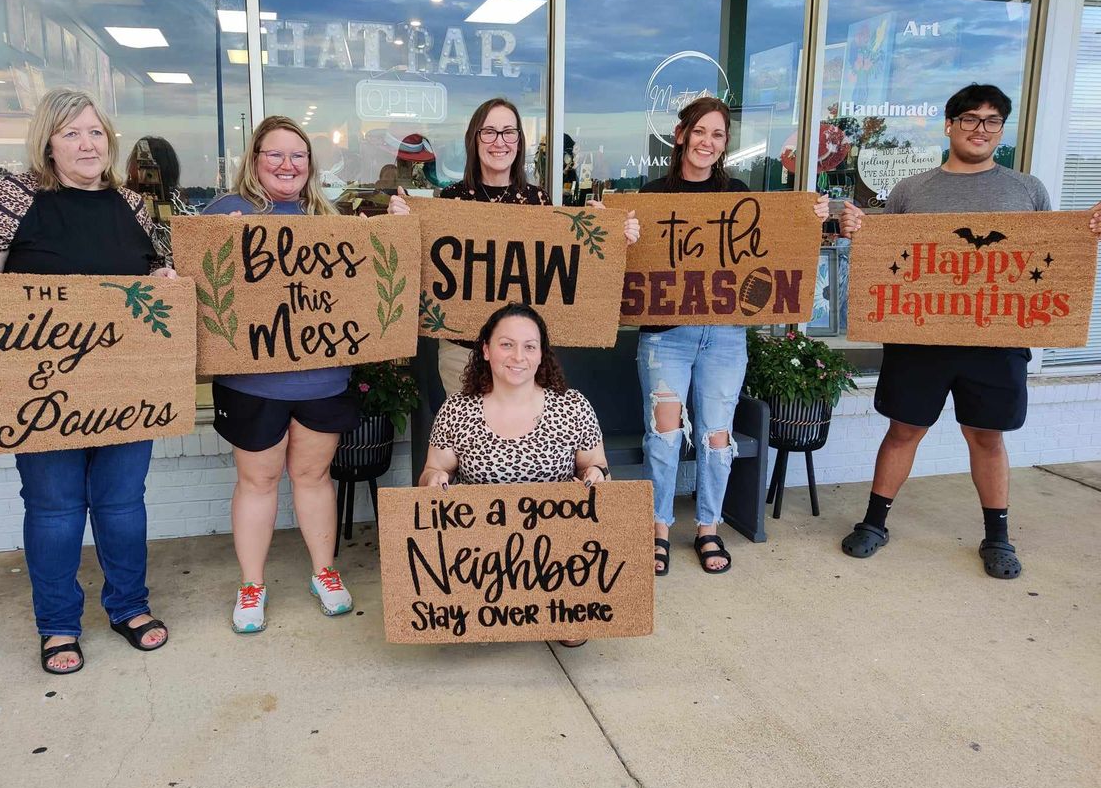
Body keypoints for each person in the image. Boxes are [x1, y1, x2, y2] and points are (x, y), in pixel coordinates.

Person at [837, 83, 1101, 579]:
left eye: (992, 120)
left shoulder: (1027, 189)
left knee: (986, 437)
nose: (980, 129)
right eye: (970, 119)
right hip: (920, 336)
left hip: (997, 340)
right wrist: (855, 231)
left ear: (1001, 129)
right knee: (903, 430)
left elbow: (1054, 253)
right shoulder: (911, 191)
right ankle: (874, 522)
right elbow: (885, 258)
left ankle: (997, 536)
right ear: (949, 125)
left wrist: (1086, 234)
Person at [0, 87, 174, 674]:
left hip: (126, 386)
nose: (86, 143)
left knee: (123, 504)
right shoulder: (14, 197)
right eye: (72, 132)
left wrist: (170, 285)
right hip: (41, 391)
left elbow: (160, 280)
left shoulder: (131, 204)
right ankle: (57, 624)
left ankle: (128, 606)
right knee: (54, 509)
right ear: (48, 142)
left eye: (96, 132)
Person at [639, 96, 828, 577]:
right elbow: (632, 258)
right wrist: (616, 227)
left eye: (718, 135)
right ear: (681, 135)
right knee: (663, 435)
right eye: (699, 131)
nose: (707, 142)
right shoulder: (652, 194)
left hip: (724, 335)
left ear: (725, 144)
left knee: (716, 437)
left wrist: (811, 219)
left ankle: (708, 526)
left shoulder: (740, 195)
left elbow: (778, 241)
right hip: (666, 335)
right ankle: (658, 528)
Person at [204, 115, 359, 632]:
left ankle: (325, 572)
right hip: (252, 383)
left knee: (314, 477)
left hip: (322, 377)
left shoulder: (328, 218)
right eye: (275, 154)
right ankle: (252, 585)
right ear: (255, 160)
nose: (287, 164)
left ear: (310, 165)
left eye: (298, 155)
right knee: (258, 479)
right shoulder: (225, 215)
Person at [388, 98, 638, 398]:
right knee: (471, 437)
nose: (499, 142)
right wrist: (401, 225)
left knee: (518, 435)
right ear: (474, 139)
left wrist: (611, 234)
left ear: (519, 142)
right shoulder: (450, 200)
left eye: (509, 132)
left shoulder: (538, 201)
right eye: (489, 132)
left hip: (522, 353)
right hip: (462, 350)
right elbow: (420, 263)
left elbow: (564, 265)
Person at [418, 303, 610, 648]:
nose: (518, 356)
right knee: (472, 631)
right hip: (480, 551)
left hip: (556, 547)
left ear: (541, 355)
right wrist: (434, 479)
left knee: (574, 632)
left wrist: (595, 474)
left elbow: (595, 464)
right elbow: (435, 469)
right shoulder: (458, 409)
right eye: (506, 344)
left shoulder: (573, 406)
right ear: (487, 351)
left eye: (529, 346)